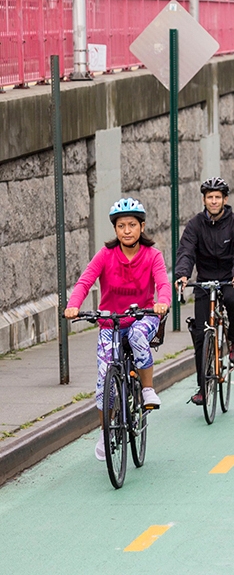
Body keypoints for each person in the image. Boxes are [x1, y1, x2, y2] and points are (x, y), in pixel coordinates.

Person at [64, 197, 171, 461]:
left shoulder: (152, 255)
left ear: (141, 227)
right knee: (103, 383)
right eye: (121, 225)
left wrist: (163, 303)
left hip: (142, 317)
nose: (126, 230)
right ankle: (105, 431)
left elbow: (162, 283)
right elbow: (85, 281)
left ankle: (146, 389)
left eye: (132, 225)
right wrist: (73, 306)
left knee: (135, 336)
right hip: (110, 322)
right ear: (115, 229)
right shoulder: (105, 255)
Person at [175, 177, 234, 405]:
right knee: (201, 335)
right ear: (204, 200)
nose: (214, 201)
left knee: (232, 300)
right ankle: (202, 388)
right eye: (210, 197)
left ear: (225, 199)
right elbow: (186, 251)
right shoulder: (195, 225)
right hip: (205, 281)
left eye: (218, 197)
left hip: (229, 279)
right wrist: (182, 275)